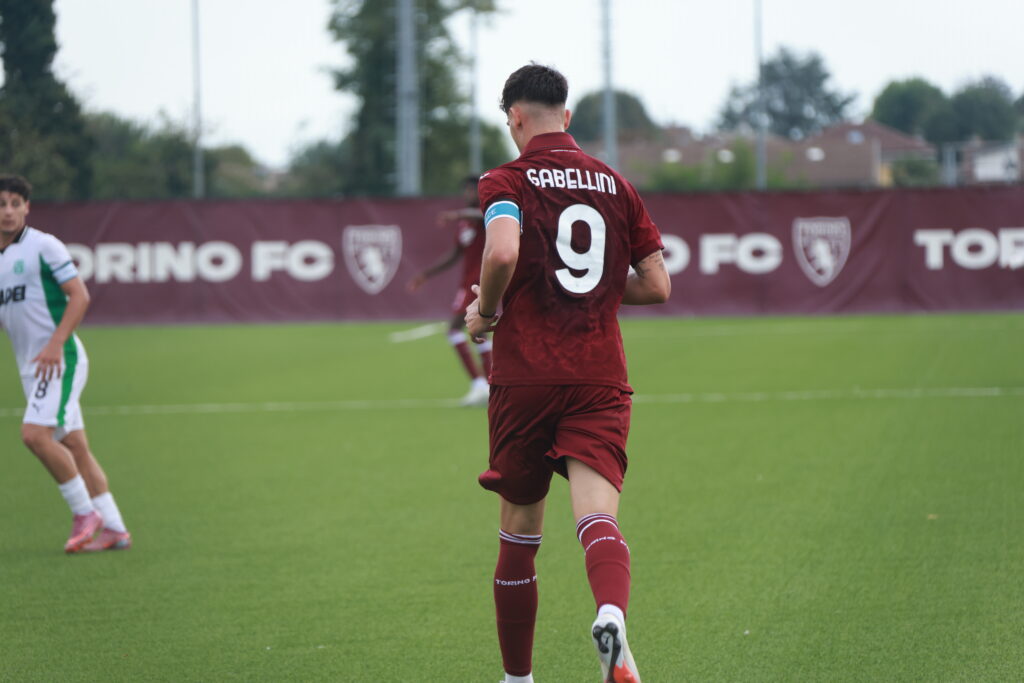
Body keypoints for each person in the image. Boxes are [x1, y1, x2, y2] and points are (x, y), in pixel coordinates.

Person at [465, 65, 671, 683]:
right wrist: (596, 287)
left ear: (515, 117)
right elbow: (657, 285)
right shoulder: (616, 184)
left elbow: (503, 250)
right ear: (568, 116)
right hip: (598, 374)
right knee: (597, 518)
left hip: (526, 376)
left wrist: (487, 312)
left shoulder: (505, 179)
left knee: (519, 534)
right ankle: (610, 615)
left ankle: (518, 679)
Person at [0, 174, 131, 553]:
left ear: (27, 207)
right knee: (74, 445)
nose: (7, 211)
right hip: (32, 365)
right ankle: (115, 529)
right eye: (1, 204)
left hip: (59, 360)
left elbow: (80, 296)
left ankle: (85, 513)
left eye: (14, 203)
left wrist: (56, 344)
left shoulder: (44, 246)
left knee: (34, 436)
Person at [407, 175, 492, 406]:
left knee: (454, 329)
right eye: (465, 190)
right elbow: (455, 254)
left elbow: (482, 215)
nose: (467, 194)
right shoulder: (464, 224)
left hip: (478, 282)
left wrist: (457, 214)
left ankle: (480, 384)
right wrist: (426, 274)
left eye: (471, 189)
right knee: (479, 333)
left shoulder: (487, 214)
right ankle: (488, 385)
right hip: (467, 282)